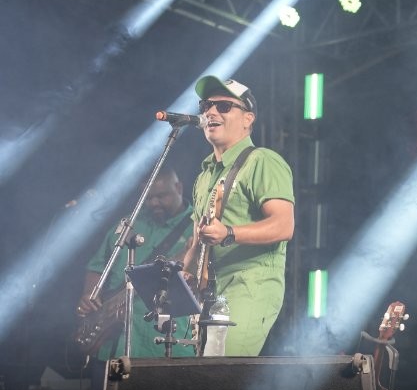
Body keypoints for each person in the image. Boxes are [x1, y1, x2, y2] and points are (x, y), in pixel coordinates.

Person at [180, 76, 294, 356]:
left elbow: (284, 225)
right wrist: (185, 272)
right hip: (208, 292)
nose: (211, 112)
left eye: (223, 106)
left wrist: (229, 233)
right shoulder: (204, 175)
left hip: (249, 285)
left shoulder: (262, 160)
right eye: (206, 106)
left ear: (248, 119)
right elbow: (197, 239)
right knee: (199, 374)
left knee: (221, 372)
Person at [76, 167, 195, 358]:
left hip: (162, 344)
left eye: (161, 196)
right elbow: (97, 266)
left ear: (179, 188)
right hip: (112, 344)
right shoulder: (130, 223)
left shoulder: (197, 226)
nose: (154, 203)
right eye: (148, 198)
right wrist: (89, 293)